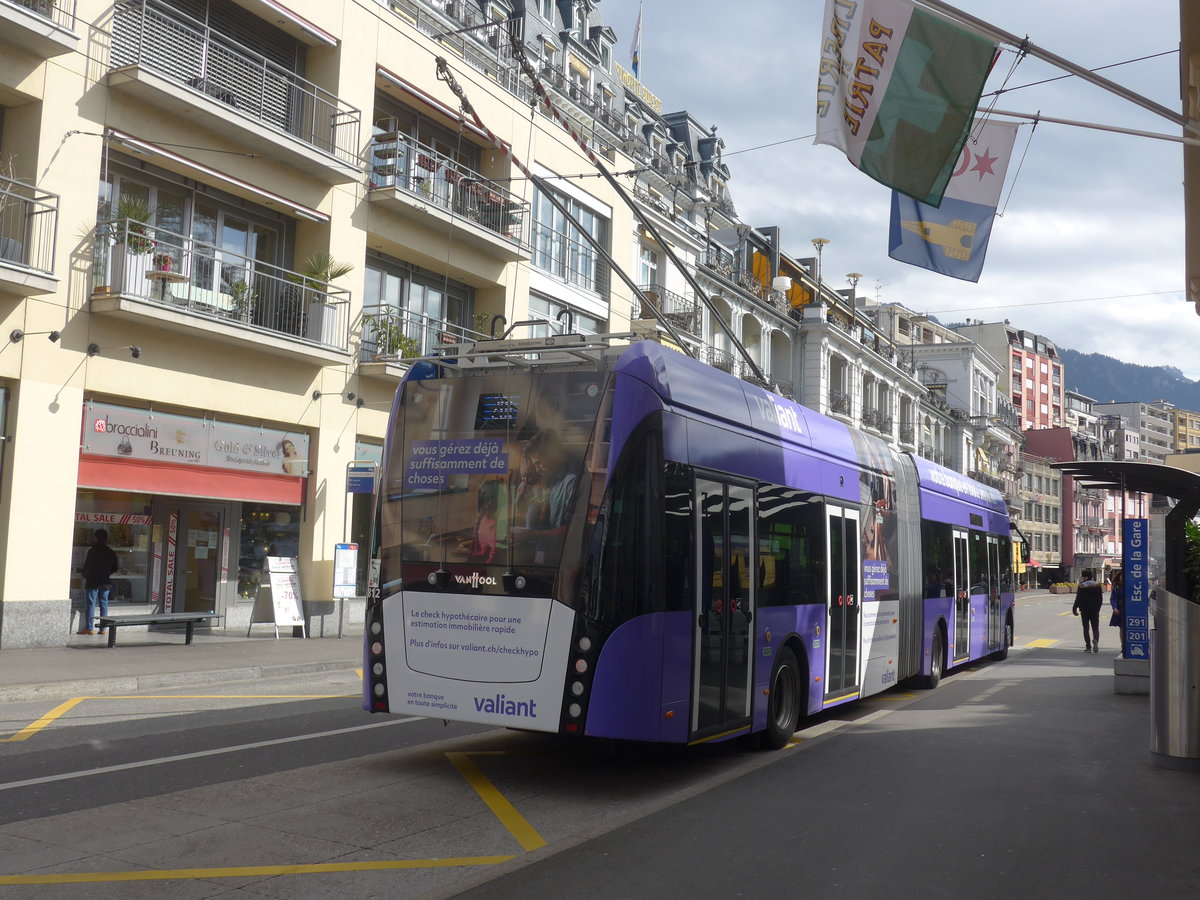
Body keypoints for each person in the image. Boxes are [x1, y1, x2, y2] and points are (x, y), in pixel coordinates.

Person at [79, 529, 119, 636]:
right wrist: (106, 573)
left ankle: (89, 628)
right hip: (105, 581)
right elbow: (115, 567)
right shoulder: (110, 552)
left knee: (91, 604)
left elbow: (87, 567)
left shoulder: (93, 551)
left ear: (96, 538)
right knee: (104, 604)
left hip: (93, 581)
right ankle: (103, 629)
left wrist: (85, 575)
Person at [1072, 568, 1105, 653]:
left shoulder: (1082, 586)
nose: (1082, 578)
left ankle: (1088, 647)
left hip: (1084, 610)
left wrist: (1074, 608)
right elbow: (1100, 599)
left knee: (1086, 628)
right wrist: (1097, 609)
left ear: (1085, 577)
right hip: (1094, 610)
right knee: (1095, 627)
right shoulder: (1097, 586)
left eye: (1083, 577)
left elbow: (1078, 598)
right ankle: (1096, 640)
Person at [1109, 569, 1126, 657]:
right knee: (1122, 628)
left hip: (1130, 608)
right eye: (1121, 576)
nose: (1122, 578)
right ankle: (1123, 645)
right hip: (1120, 609)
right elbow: (1113, 598)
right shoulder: (1117, 587)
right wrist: (1114, 607)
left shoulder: (1131, 585)